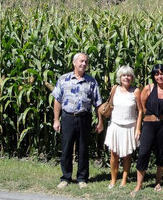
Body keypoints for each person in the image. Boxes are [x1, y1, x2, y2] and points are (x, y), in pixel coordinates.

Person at [52, 52, 104, 189]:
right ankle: (66, 177)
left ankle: (82, 178)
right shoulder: (64, 79)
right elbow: (57, 100)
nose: (83, 64)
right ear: (74, 63)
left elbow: (98, 104)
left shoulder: (91, 82)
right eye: (81, 61)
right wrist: (56, 120)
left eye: (86, 62)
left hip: (84, 118)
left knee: (83, 149)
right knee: (66, 148)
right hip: (68, 117)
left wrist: (100, 122)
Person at [132, 64, 163, 196]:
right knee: (143, 152)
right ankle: (139, 184)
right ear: (153, 76)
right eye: (157, 74)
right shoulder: (148, 88)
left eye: (162, 73)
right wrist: (151, 117)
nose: (159, 76)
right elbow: (143, 106)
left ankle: (158, 182)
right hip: (149, 125)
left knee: (161, 153)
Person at [102, 65, 142, 189]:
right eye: (124, 75)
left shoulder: (136, 91)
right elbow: (109, 105)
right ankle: (113, 180)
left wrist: (138, 128)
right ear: (120, 77)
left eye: (129, 75)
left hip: (129, 126)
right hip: (115, 125)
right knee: (114, 154)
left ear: (132, 77)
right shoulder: (115, 89)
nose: (126, 77)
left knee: (127, 155)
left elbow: (140, 111)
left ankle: (124, 179)